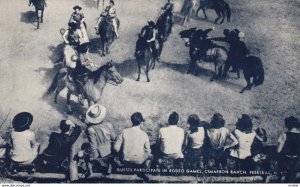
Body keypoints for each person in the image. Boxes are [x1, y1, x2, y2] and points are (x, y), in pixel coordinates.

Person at [114, 112, 152, 181]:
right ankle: (144, 168)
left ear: (132, 121)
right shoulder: (144, 134)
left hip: (125, 160)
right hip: (140, 161)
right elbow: (148, 150)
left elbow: (116, 148)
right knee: (150, 155)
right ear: (141, 122)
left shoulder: (124, 131)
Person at [84, 104, 116, 176]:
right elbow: (114, 138)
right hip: (110, 150)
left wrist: (91, 156)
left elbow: (93, 146)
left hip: (101, 153)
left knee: (84, 151)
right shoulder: (109, 124)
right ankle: (109, 165)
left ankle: (90, 172)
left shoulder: (90, 129)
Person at [277, 116, 300, 182]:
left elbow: (278, 150)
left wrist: (279, 142)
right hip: (297, 161)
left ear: (287, 125)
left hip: (286, 161)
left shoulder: (284, 135)